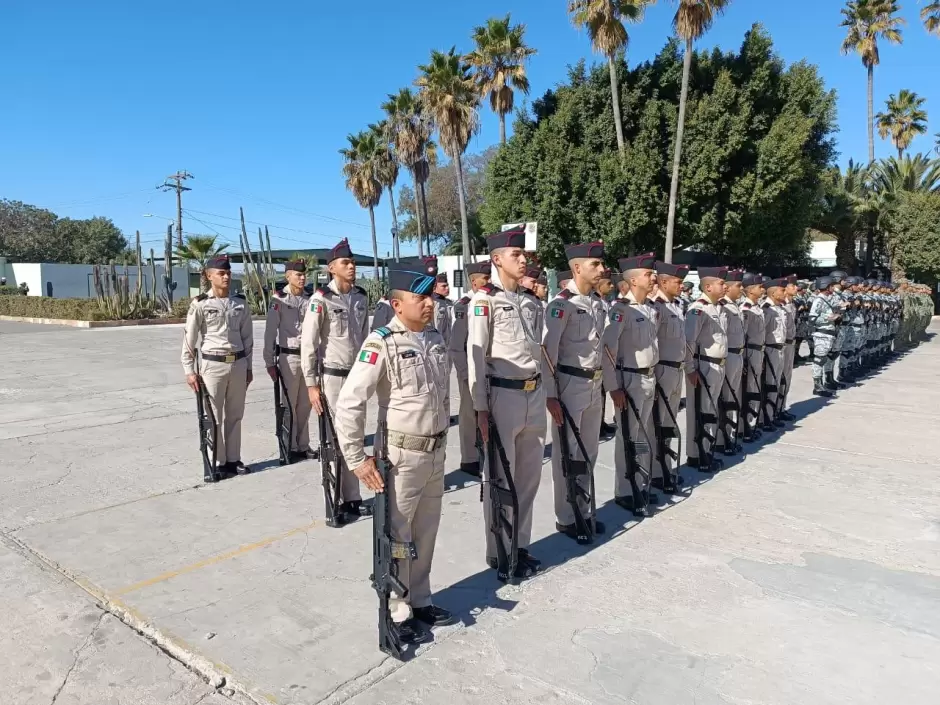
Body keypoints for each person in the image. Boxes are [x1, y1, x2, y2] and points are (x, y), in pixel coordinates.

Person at [333, 258, 454, 645]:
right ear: (398, 304)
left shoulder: (435, 338)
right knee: (399, 537)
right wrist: (356, 458)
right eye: (419, 296)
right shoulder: (381, 342)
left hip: (435, 452)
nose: (429, 302)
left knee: (427, 532)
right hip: (400, 458)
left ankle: (421, 599)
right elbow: (350, 402)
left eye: (430, 295)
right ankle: (397, 609)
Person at [468, 228, 545, 579]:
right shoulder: (484, 302)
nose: (523, 259)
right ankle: (498, 549)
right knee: (501, 478)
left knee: (529, 477)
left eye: (523, 254)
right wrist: (481, 409)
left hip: (533, 393)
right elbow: (477, 359)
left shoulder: (530, 301)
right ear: (497, 259)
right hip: (503, 395)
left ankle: (520, 544)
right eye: (516, 255)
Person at [300, 238, 373, 519]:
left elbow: (364, 339)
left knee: (353, 436)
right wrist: (311, 384)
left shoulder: (360, 297)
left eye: (352, 262)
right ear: (332, 268)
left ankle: (352, 497)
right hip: (333, 378)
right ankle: (337, 498)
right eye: (346, 262)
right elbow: (309, 343)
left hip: (357, 377)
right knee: (333, 439)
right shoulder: (321, 300)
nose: (352, 266)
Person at [541, 241, 608, 541]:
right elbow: (548, 353)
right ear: (577, 268)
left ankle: (584, 508)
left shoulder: (598, 302)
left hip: (594, 384)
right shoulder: (560, 304)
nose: (602, 269)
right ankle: (566, 517)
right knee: (567, 453)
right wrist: (551, 395)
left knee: (589, 451)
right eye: (595, 265)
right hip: (569, 384)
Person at [181, 255, 253, 475]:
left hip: (238, 363)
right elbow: (189, 339)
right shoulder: (200, 303)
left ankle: (233, 459)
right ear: (209, 276)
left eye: (228, 272)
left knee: (235, 415)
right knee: (213, 416)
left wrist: (249, 367)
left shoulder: (239, 303)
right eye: (221, 273)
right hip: (213, 365)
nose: (226, 276)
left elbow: (248, 337)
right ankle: (215, 462)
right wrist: (189, 370)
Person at [601, 253, 660, 515]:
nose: (653, 277)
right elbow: (608, 349)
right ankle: (625, 490)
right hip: (630, 379)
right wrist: (614, 386)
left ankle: (641, 483)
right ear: (634, 280)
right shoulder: (620, 311)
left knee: (643, 436)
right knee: (628, 436)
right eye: (648, 274)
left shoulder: (649, 309)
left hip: (649, 376)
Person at [263, 259, 314, 461]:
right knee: (289, 404)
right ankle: (288, 446)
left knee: (305, 405)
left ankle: (303, 445)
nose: (302, 278)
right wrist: (269, 362)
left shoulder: (311, 298)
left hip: (309, 357)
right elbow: (270, 333)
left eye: (304, 275)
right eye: (297, 275)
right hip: (289, 356)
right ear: (288, 276)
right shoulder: (280, 300)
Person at [649, 261, 689, 493]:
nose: (681, 285)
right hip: (662, 369)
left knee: (669, 422)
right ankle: (657, 472)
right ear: (663, 282)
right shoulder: (657, 308)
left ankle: (666, 467)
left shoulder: (675, 306)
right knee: (658, 423)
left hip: (676, 369)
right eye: (677, 281)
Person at [684, 267, 728, 473]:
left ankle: (707, 450)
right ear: (708, 287)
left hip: (718, 364)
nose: (725, 286)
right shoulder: (698, 309)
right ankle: (697, 454)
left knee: (710, 409)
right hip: (704, 365)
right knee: (702, 410)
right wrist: (691, 368)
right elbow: (689, 342)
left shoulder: (718, 307)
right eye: (721, 283)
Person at [450, 261, 492, 477]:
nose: (489, 282)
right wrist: (466, 375)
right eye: (485, 279)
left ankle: (485, 452)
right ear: (474, 281)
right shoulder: (463, 305)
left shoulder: (490, 300)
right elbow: (456, 346)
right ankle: (469, 458)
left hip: (488, 368)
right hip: (469, 368)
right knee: (469, 414)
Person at [716, 269, 746, 454]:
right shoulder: (722, 307)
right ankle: (722, 439)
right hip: (726, 357)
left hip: (738, 355)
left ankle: (731, 435)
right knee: (725, 400)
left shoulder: (733, 306)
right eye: (738, 286)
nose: (741, 289)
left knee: (734, 398)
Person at [739, 273, 766, 442]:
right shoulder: (746, 309)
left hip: (759, 351)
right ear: (749, 290)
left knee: (756, 387)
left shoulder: (757, 308)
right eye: (759, 287)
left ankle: (753, 422)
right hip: (750, 352)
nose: (762, 289)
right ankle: (746, 426)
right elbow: (744, 335)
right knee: (749, 389)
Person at [808, 276, 838, 398]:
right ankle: (817, 386)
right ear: (826, 287)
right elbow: (812, 318)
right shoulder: (818, 300)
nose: (833, 288)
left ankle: (828, 380)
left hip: (830, 333)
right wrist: (828, 318)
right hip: (822, 334)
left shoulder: (828, 298)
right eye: (831, 286)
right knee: (819, 360)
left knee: (829, 357)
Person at [779, 274, 798, 421]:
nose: (796, 288)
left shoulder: (791, 304)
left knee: (787, 377)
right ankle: (775, 409)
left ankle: (782, 407)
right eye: (793, 286)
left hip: (791, 344)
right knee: (779, 378)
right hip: (781, 345)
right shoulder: (781, 305)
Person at [431, 268, 453, 347]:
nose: (447, 288)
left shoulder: (449, 303)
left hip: (448, 346)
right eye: (443, 286)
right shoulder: (432, 304)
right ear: (434, 288)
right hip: (437, 346)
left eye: (447, 285)